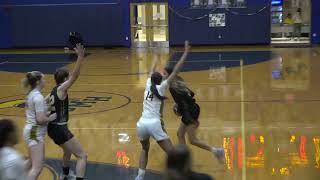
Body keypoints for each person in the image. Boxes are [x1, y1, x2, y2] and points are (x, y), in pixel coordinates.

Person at [135, 41, 191, 180]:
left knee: (144, 149)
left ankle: (139, 177)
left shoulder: (148, 84)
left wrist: (155, 56)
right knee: (172, 153)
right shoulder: (161, 87)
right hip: (154, 124)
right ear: (160, 81)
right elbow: (176, 69)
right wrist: (185, 52)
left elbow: (152, 69)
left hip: (141, 124)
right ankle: (179, 176)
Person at [164, 68, 225, 164]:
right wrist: (179, 104)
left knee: (193, 140)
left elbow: (183, 103)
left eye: (164, 74)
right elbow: (191, 94)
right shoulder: (178, 79)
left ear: (169, 74)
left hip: (189, 112)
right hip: (193, 108)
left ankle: (217, 151)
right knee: (180, 134)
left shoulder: (172, 87)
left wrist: (189, 119)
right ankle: (183, 158)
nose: (163, 76)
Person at [47, 44, 87, 180]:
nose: (70, 77)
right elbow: (75, 77)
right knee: (82, 156)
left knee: (67, 151)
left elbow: (45, 104)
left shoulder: (53, 90)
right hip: (59, 128)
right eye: (68, 77)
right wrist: (80, 57)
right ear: (64, 80)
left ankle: (64, 175)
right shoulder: (61, 89)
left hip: (53, 128)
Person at [22, 71, 57, 180]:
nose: (45, 81)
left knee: (31, 162)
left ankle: (11, 176)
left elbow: (33, 114)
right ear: (38, 82)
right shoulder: (38, 97)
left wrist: (46, 113)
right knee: (37, 167)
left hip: (30, 131)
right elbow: (40, 120)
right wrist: (50, 117)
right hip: (34, 133)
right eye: (43, 79)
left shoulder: (30, 94)